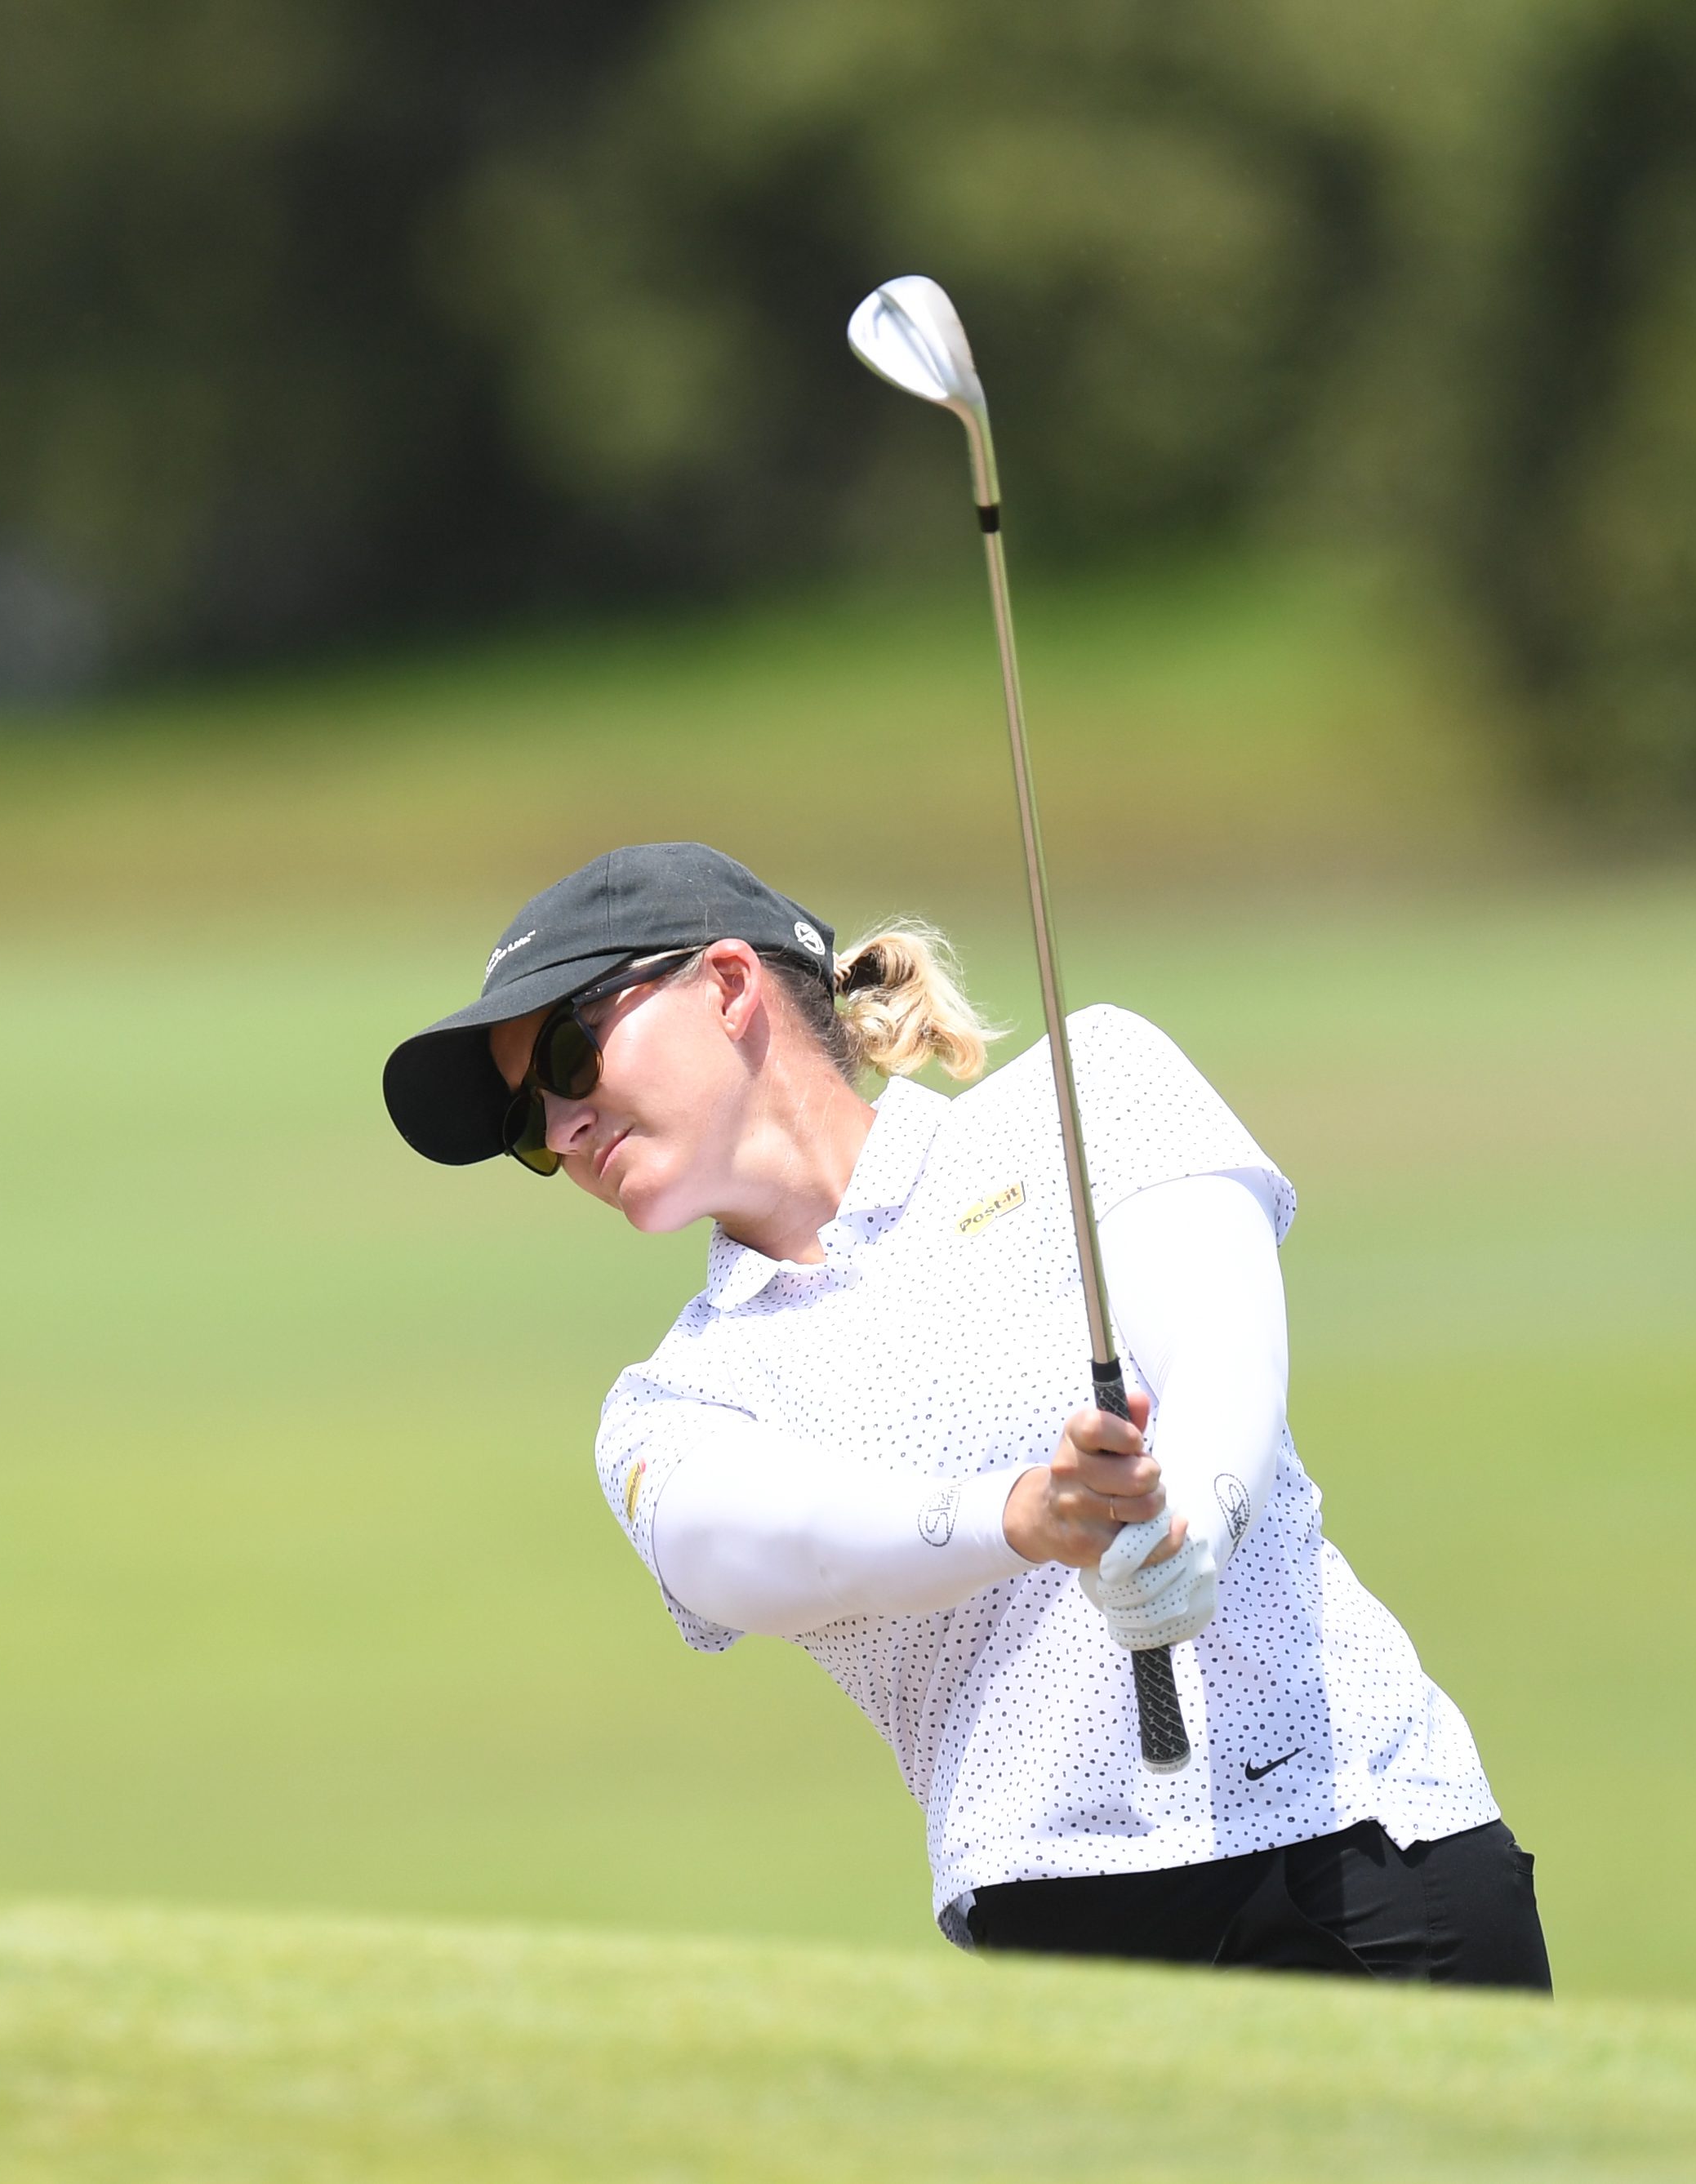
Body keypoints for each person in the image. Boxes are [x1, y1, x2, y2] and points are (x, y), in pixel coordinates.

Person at [381, 842, 1548, 1986]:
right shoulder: (673, 1401)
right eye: (527, 1125)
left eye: (570, 1059)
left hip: (1365, 1845)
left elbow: (1221, 1348)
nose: (562, 1129)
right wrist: (1021, 1516)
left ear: (729, 985)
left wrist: (1196, 1521)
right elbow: (767, 1550)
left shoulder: (1087, 1087)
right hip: (1060, 1916)